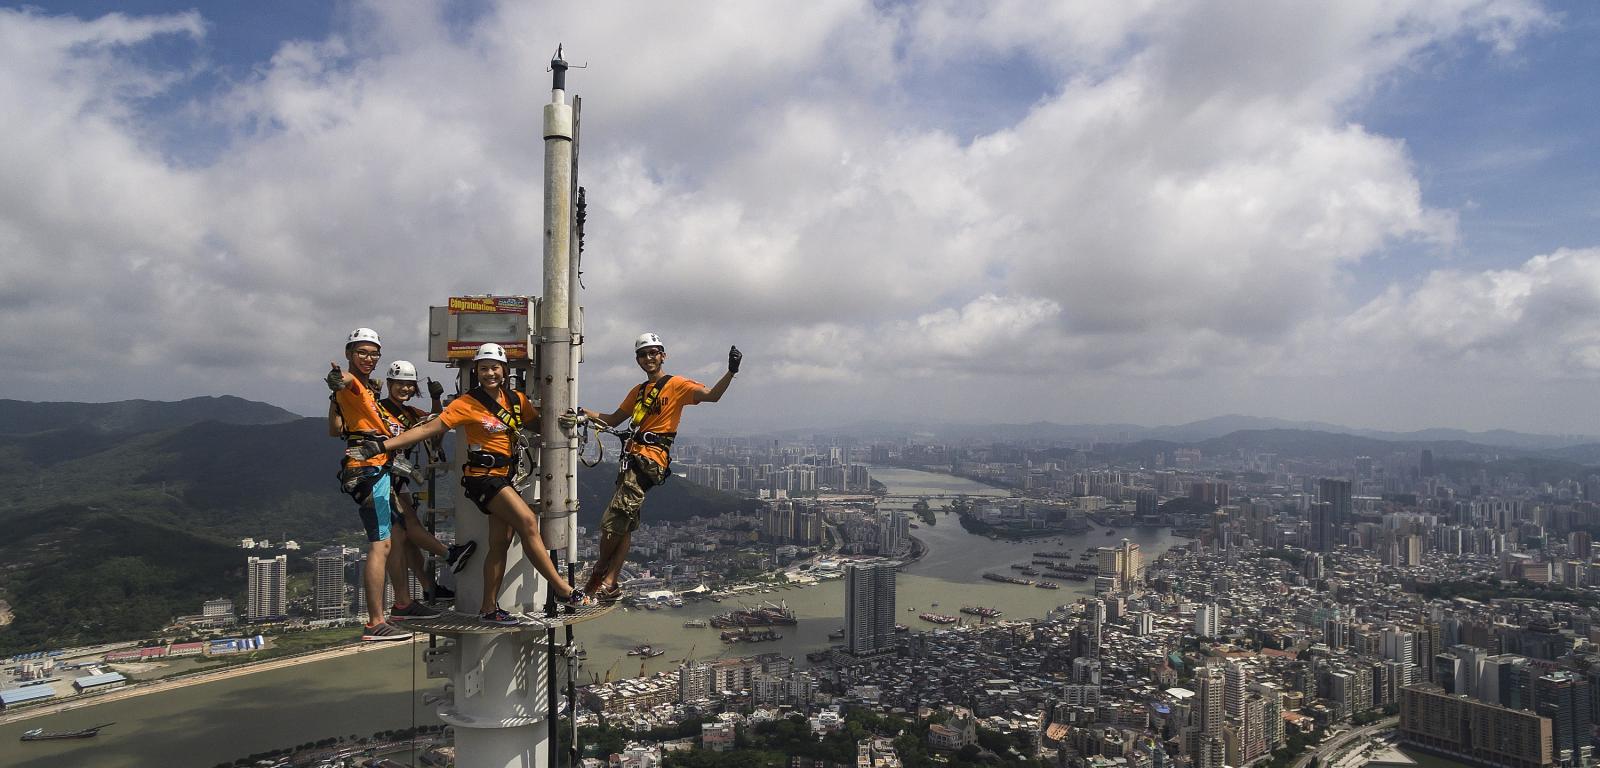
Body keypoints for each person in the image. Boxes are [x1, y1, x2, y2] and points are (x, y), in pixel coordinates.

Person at [349, 342, 594, 624]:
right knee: (527, 522)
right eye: (484, 368)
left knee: (500, 542)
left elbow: (539, 425)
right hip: (482, 478)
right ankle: (563, 589)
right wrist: (384, 445)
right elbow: (430, 428)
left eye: (494, 367)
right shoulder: (467, 403)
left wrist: (566, 419)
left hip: (505, 476)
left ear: (505, 370)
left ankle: (488, 608)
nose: (490, 373)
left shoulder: (517, 400)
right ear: (476, 371)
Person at [565, 333, 740, 603]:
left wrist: (730, 372)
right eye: (643, 354)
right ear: (638, 360)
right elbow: (613, 419)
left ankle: (599, 576)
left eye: (653, 353)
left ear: (663, 355)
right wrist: (582, 412)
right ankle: (611, 583)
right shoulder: (638, 392)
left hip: (651, 460)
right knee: (625, 524)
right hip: (633, 459)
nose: (649, 358)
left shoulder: (677, 385)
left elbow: (712, 396)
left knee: (613, 523)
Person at [325, 328, 438, 643]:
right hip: (369, 469)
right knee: (381, 545)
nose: (369, 357)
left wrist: (337, 397)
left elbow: (335, 430)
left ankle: (401, 603)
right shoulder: (354, 383)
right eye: (362, 351)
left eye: (374, 352)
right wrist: (338, 382)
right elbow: (343, 380)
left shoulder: (365, 391)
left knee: (395, 538)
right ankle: (375, 621)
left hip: (377, 469)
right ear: (349, 353)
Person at [374, 360, 477, 601]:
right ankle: (449, 555)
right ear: (390, 384)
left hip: (399, 478)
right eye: (400, 384)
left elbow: (435, 433)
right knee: (409, 526)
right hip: (383, 476)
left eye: (409, 385)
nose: (405, 389)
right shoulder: (378, 410)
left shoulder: (412, 414)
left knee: (408, 539)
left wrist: (435, 401)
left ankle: (430, 587)